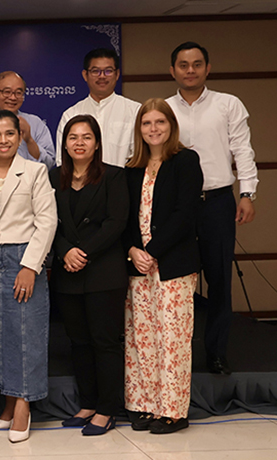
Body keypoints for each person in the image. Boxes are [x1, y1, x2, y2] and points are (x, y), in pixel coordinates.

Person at [166, 41, 258, 375]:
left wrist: (247, 193)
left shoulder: (228, 104)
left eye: (197, 64)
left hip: (218, 203)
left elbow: (243, 151)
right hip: (176, 208)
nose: (190, 70)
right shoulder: (163, 108)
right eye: (183, 64)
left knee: (219, 281)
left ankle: (216, 353)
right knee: (177, 285)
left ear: (207, 68)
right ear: (172, 70)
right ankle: (178, 357)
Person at [0, 110, 56, 443]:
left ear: (19, 137)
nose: (3, 140)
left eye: (10, 134)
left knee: (26, 332)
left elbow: (47, 221)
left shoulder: (34, 171)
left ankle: (23, 406)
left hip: (23, 257)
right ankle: (6, 404)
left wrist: (31, 266)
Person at [124, 98, 203, 435]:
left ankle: (172, 410)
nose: (153, 129)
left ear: (171, 126)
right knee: (141, 338)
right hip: (139, 265)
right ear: (139, 129)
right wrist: (132, 250)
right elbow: (124, 217)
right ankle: (144, 405)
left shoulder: (185, 161)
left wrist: (152, 250)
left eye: (160, 122)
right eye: (146, 123)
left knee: (171, 338)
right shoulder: (131, 168)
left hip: (172, 263)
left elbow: (186, 214)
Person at [49, 114, 129, 436]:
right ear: (64, 144)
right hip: (68, 272)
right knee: (78, 342)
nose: (79, 143)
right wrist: (65, 250)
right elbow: (47, 221)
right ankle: (88, 403)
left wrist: (84, 252)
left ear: (97, 143)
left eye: (86, 137)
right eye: (73, 137)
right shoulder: (54, 177)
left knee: (104, 342)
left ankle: (107, 409)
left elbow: (116, 222)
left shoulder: (114, 176)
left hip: (103, 272)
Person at [56, 48, 140, 168]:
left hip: (123, 183)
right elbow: (62, 160)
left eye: (108, 71)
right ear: (85, 75)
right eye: (95, 71)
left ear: (117, 74)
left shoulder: (134, 110)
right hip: (81, 185)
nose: (102, 76)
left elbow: (140, 155)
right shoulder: (71, 114)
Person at [0, 71, 55, 168]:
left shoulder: (35, 124)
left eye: (18, 93)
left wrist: (29, 140)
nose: (13, 97)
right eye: (7, 92)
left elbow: (49, 164)